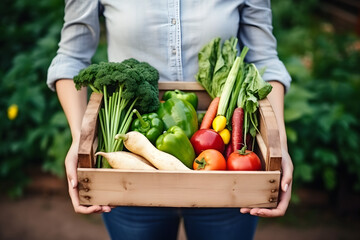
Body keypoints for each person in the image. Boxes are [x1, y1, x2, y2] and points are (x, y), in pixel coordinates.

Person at [47, 0, 293, 239]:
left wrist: (278, 145)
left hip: (227, 180)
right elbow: (71, 59)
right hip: (128, 171)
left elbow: (265, 61)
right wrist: (79, 140)